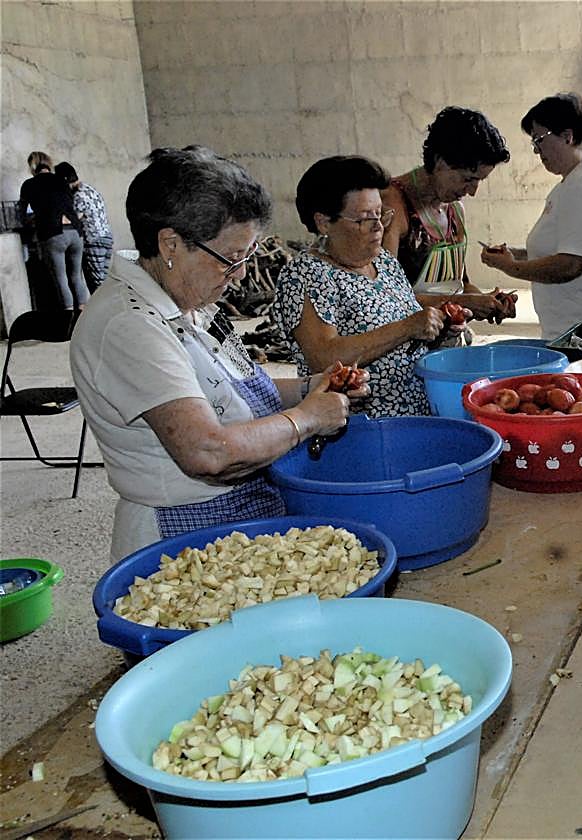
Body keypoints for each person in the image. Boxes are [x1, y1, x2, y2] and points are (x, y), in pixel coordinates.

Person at [70, 146, 364, 562]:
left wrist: (307, 388)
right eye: (232, 258)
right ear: (171, 244)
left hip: (243, 506)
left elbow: (228, 390)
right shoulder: (129, 326)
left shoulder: (186, 297)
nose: (242, 273)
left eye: (248, 256)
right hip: (185, 531)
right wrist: (308, 418)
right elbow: (209, 452)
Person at [274, 155, 467, 419]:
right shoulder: (306, 274)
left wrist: (440, 331)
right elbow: (322, 357)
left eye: (380, 214)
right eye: (365, 219)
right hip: (362, 428)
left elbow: (409, 343)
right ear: (323, 222)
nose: (378, 227)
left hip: (417, 417)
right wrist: (407, 327)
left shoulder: (385, 263)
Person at [480, 93, 582, 339]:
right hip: (566, 325)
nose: (536, 150)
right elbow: (556, 251)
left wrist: (511, 267)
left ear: (568, 136)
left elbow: (569, 265)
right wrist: (513, 255)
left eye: (540, 140)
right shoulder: (569, 185)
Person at [381, 106, 513, 329]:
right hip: (403, 346)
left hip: (448, 341)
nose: (472, 191)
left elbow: (460, 285)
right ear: (441, 162)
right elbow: (385, 296)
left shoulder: (455, 209)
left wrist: (487, 302)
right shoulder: (392, 205)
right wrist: (460, 301)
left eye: (479, 181)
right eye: (468, 179)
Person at [17, 151, 88, 310]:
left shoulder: (29, 185)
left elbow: (21, 213)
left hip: (54, 232)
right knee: (77, 276)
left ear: (33, 167)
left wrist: (32, 220)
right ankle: (85, 316)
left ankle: (69, 320)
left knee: (61, 279)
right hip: (76, 232)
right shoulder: (61, 180)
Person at [54, 161, 114, 291]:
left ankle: (102, 309)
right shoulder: (90, 189)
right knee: (106, 279)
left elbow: (74, 219)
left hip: (94, 240)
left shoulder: (78, 195)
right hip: (106, 236)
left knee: (98, 282)